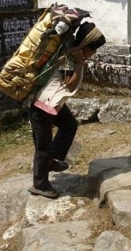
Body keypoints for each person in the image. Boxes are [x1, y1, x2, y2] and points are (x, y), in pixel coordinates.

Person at [27, 22, 106, 199]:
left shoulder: (71, 54)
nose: (94, 53)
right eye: (93, 50)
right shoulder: (69, 57)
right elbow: (69, 85)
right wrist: (79, 63)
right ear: (85, 46)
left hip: (52, 105)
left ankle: (51, 160)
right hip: (42, 106)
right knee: (43, 147)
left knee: (69, 125)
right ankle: (40, 184)